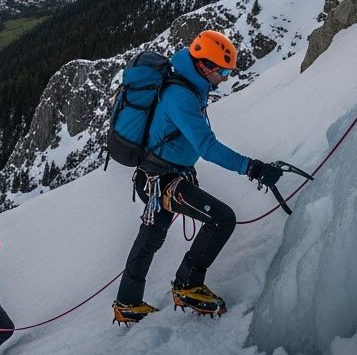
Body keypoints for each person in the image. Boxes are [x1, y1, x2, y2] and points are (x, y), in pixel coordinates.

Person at [111, 30, 283, 324]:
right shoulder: (181, 96)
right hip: (161, 181)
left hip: (160, 177)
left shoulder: (190, 86)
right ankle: (187, 285)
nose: (226, 78)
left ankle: (128, 302)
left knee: (150, 237)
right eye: (224, 71)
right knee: (222, 219)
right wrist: (251, 167)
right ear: (205, 66)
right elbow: (207, 146)